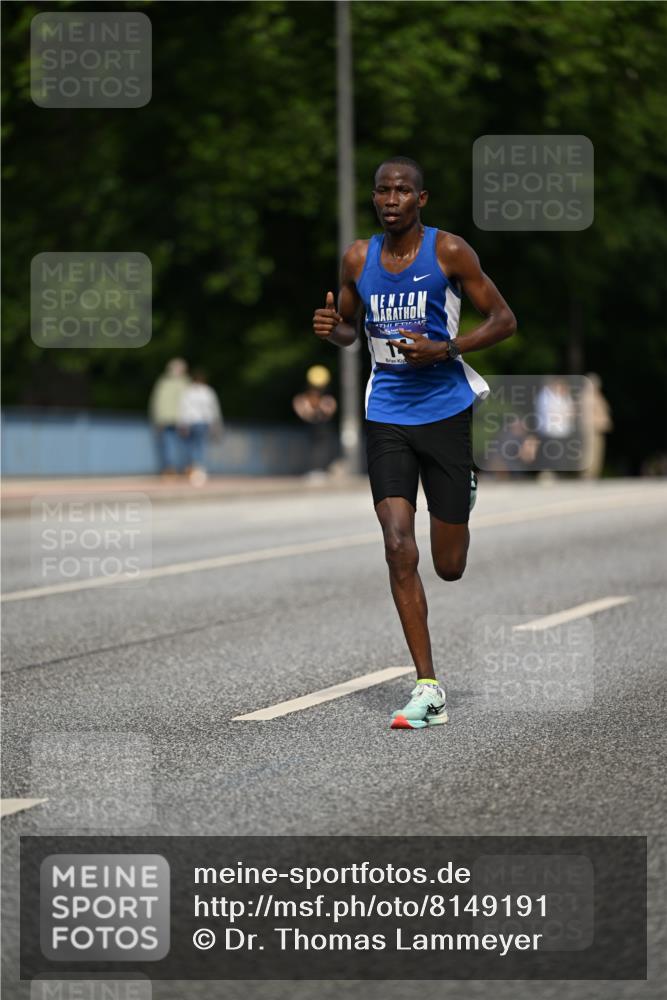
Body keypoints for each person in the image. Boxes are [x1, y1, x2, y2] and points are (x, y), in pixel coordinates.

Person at [312, 156, 516, 730]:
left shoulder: (449, 251)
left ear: (420, 199)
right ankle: (428, 687)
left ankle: (463, 486)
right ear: (374, 197)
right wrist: (333, 330)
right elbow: (349, 328)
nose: (391, 199)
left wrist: (446, 348)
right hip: (387, 413)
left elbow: (504, 320)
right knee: (398, 545)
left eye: (402, 190)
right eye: (382, 190)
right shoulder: (359, 258)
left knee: (449, 566)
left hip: (445, 411)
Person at [178, 369, 224, 486]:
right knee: (200, 445)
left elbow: (183, 408)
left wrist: (182, 422)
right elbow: (213, 408)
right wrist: (215, 423)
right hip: (203, 421)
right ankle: (198, 468)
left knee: (190, 445)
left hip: (190, 421)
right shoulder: (208, 391)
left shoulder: (188, 391)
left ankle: (192, 467)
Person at [292, 365, 338, 477]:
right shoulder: (303, 398)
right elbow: (302, 410)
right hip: (310, 428)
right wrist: (309, 410)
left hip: (323, 428)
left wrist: (320, 409)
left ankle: (321, 468)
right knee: (311, 447)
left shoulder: (327, 398)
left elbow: (330, 410)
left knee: (324, 447)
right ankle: (314, 469)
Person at [148, 358, 190, 475]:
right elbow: (157, 402)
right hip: (169, 419)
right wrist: (157, 419)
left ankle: (180, 467)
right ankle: (172, 468)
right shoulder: (183, 382)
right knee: (172, 444)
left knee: (176, 444)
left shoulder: (164, 382)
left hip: (176, 419)